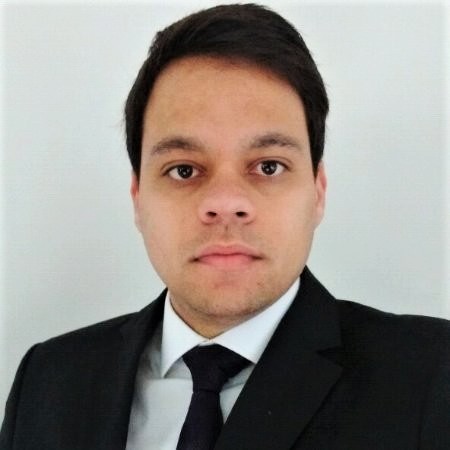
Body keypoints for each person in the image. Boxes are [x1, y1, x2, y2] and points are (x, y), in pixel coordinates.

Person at [1, 4, 449, 449]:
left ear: (318, 191)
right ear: (138, 197)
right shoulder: (49, 379)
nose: (225, 203)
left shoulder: (433, 376)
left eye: (269, 166)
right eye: (183, 170)